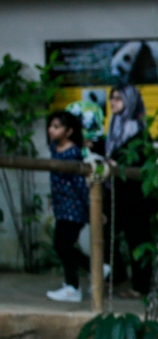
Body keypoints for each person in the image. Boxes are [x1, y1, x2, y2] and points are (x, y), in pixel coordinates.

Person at [95, 84, 154, 297]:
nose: (113, 102)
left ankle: (141, 287)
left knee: (137, 240)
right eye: (112, 97)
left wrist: (115, 163)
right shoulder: (114, 127)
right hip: (115, 194)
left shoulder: (139, 132)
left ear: (130, 101)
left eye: (119, 98)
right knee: (102, 232)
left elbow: (139, 160)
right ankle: (117, 274)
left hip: (135, 197)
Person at [45, 111, 92, 303]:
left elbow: (80, 184)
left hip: (74, 208)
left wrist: (90, 209)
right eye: (51, 126)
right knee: (64, 245)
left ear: (69, 131)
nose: (51, 130)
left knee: (62, 244)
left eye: (57, 127)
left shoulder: (73, 153)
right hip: (62, 207)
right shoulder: (55, 149)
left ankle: (73, 286)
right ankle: (94, 268)